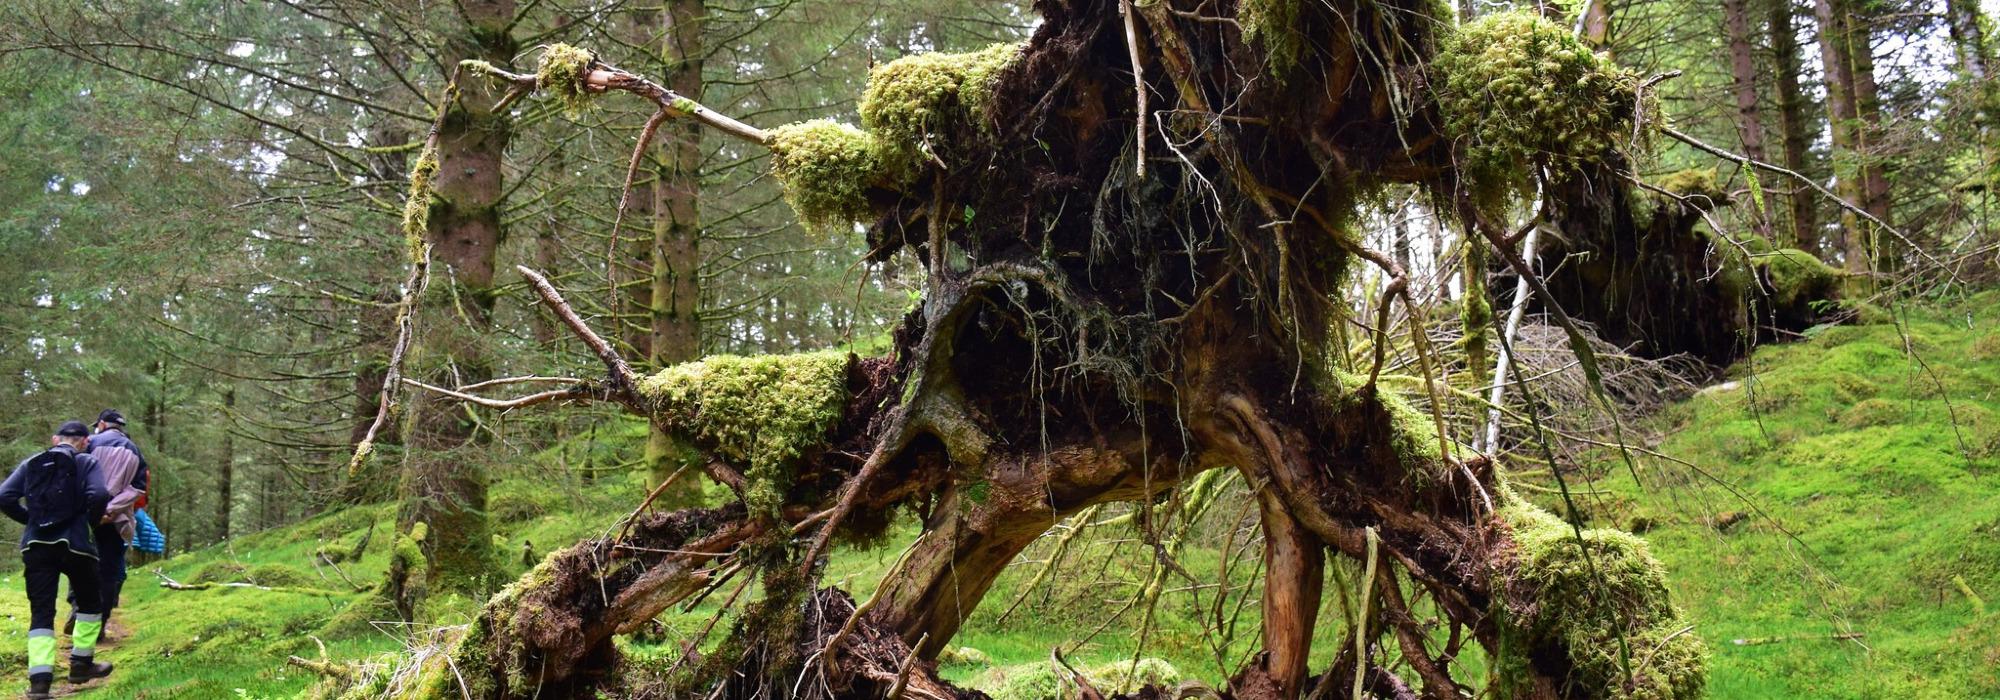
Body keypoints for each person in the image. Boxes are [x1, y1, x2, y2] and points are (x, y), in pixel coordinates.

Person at [0, 421, 114, 698]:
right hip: (75, 545)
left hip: (36, 546)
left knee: (41, 612)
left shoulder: (32, 462)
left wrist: (32, 521)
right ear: (85, 442)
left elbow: (4, 496)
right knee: (89, 603)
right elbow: (99, 494)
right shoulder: (87, 462)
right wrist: (90, 520)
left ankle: (39, 683)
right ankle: (80, 665)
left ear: (55, 439)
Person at [83, 409, 147, 633]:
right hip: (116, 519)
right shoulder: (135, 450)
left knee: (82, 563)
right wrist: (111, 509)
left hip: (86, 514)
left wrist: (94, 508)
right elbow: (139, 488)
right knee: (108, 570)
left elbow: (78, 475)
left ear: (101, 424)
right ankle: (100, 624)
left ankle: (78, 610)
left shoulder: (90, 442)